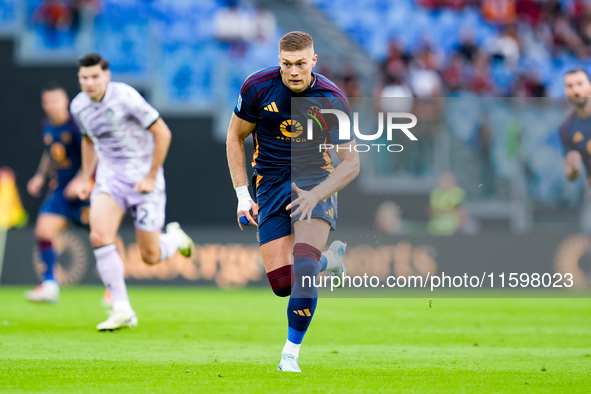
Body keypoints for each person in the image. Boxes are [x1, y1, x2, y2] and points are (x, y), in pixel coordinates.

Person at [226, 31, 360, 372]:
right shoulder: (256, 88)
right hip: (269, 184)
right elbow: (235, 136)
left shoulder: (331, 98)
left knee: (303, 269)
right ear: (279, 61)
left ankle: (290, 355)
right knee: (282, 284)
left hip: (314, 180)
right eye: (287, 64)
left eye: (301, 64)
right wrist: (243, 195)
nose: (294, 72)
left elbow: (352, 162)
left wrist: (317, 194)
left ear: (313, 61)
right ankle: (332, 259)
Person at [70, 54, 194, 331]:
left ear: (107, 76)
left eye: (94, 77)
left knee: (150, 256)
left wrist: (151, 176)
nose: (89, 83)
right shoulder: (78, 106)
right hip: (110, 178)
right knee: (99, 235)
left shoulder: (126, 97)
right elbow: (88, 140)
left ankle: (173, 239)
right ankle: (122, 309)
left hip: (143, 180)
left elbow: (163, 133)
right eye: (84, 78)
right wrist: (85, 177)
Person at [24, 82, 88, 303]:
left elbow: (93, 154)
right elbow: (50, 153)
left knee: (103, 236)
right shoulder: (47, 126)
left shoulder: (77, 126)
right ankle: (50, 285)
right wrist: (40, 176)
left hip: (85, 192)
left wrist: (81, 179)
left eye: (56, 100)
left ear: (66, 101)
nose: (52, 105)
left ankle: (114, 289)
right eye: (47, 101)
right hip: (60, 192)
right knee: (43, 231)